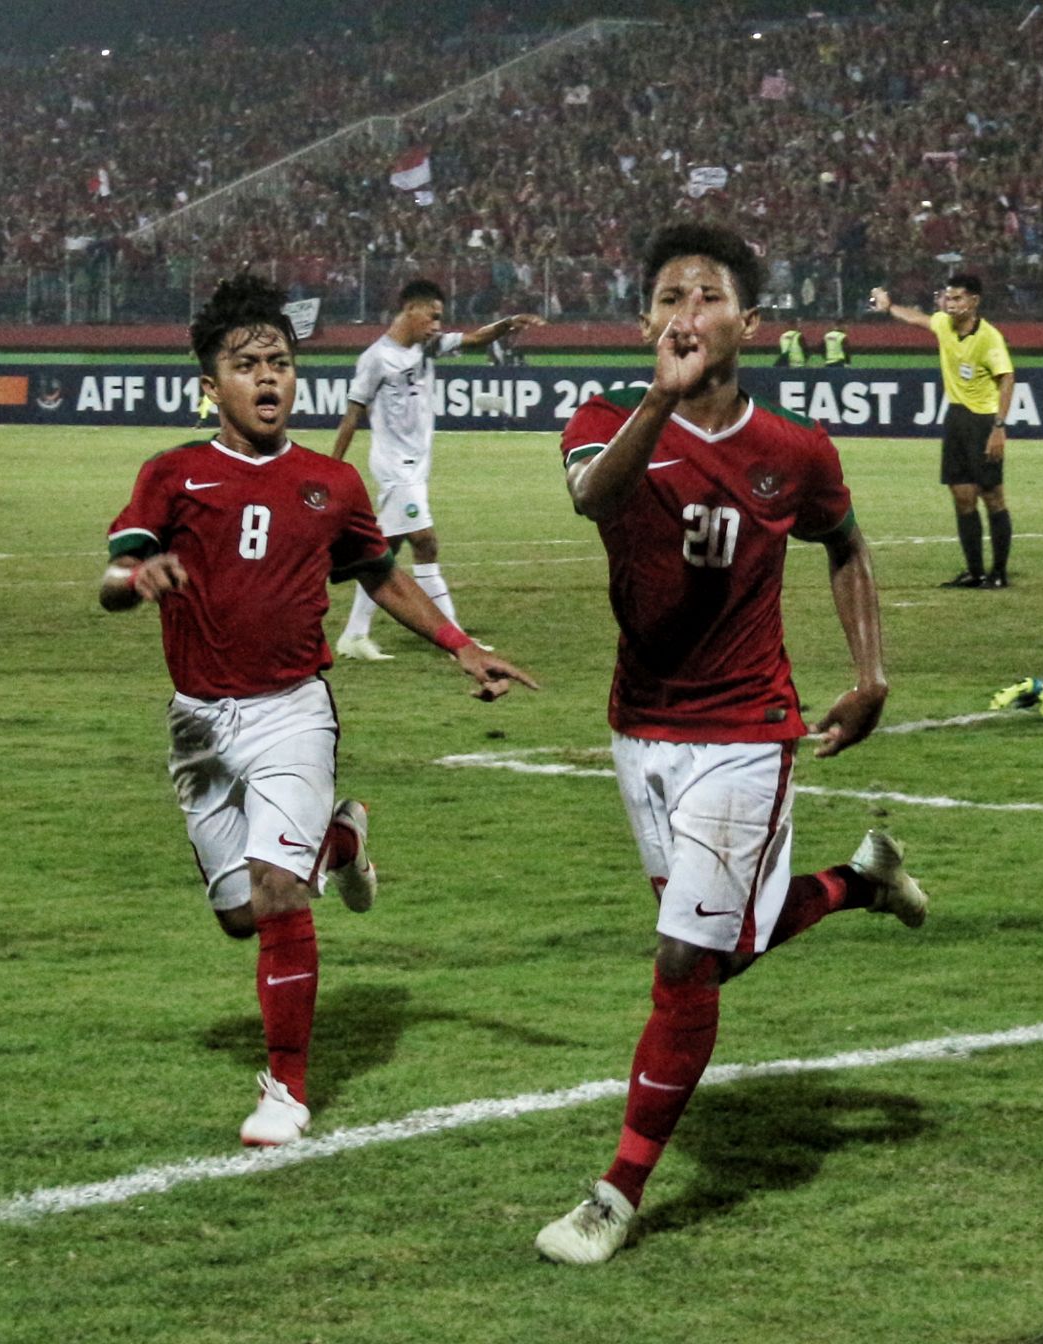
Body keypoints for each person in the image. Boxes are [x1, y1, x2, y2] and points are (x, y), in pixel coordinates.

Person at [536, 223, 928, 1267]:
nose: (686, 312)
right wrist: (659, 403)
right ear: (644, 322)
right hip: (639, 726)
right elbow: (591, 496)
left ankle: (615, 1196)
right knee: (721, 951)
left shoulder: (794, 451)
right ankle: (858, 882)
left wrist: (871, 673)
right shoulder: (605, 419)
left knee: (681, 959)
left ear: (747, 323)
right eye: (669, 295)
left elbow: (843, 543)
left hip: (748, 729)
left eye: (707, 296)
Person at [100, 275, 537, 1147]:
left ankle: (286, 1092)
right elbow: (116, 578)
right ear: (211, 386)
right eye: (246, 364)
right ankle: (343, 839)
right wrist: (135, 579)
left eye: (281, 363)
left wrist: (462, 645)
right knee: (239, 917)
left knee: (275, 895)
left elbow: (381, 574)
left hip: (293, 710)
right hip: (197, 722)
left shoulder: (329, 483)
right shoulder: (172, 474)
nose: (268, 378)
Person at [330, 280, 546, 661]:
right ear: (410, 310)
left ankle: (354, 635)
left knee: (383, 554)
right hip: (397, 469)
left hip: (416, 467)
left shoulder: (426, 346)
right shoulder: (376, 358)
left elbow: (474, 339)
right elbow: (352, 415)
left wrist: (508, 322)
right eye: (433, 316)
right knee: (426, 544)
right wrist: (332, 466)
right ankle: (457, 641)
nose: (436, 325)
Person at [870, 274, 1016, 588]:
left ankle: (999, 573)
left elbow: (1006, 378)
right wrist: (889, 306)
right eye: (948, 298)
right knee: (962, 496)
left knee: (992, 497)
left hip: (983, 421)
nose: (951, 305)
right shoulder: (944, 325)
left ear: (974, 301)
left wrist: (999, 428)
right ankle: (976, 572)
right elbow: (917, 318)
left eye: (958, 298)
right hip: (956, 420)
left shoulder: (989, 337)